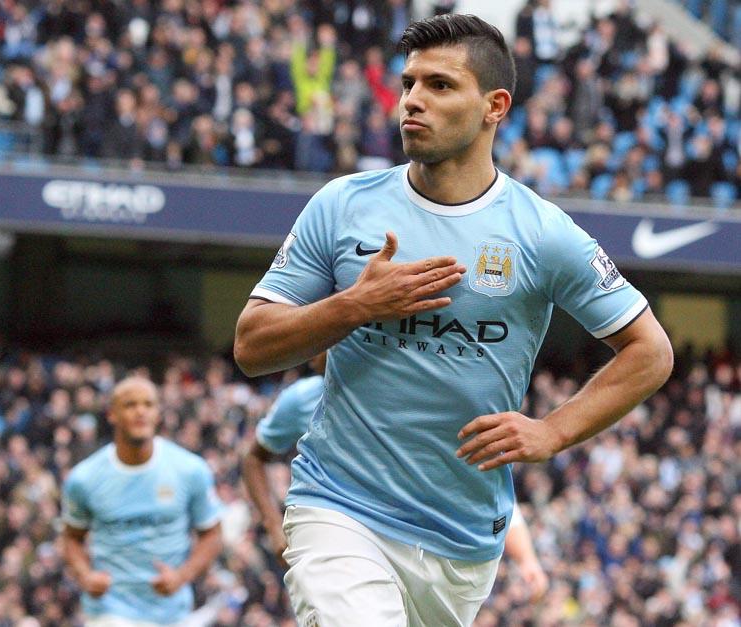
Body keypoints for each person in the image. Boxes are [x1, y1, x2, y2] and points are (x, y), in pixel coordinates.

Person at [234, 13, 672, 627]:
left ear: (494, 105)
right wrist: (355, 306)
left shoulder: (542, 233)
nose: (412, 100)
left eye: (439, 86)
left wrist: (552, 432)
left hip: (462, 538)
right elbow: (252, 346)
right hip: (339, 505)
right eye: (409, 83)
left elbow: (650, 351)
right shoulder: (342, 205)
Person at [241, 354, 547, 601]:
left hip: (423, 552)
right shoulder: (301, 399)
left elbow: (482, 489)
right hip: (340, 538)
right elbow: (254, 457)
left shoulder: (402, 400)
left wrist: (526, 559)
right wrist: (272, 524)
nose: (310, 355)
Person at [60, 377, 224, 627]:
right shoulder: (84, 478)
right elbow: (72, 537)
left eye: (148, 404)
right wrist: (85, 576)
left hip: (172, 612)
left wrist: (182, 576)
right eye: (130, 405)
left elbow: (212, 533)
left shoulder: (190, 470)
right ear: (112, 414)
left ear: (158, 413)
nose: (140, 411)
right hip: (109, 609)